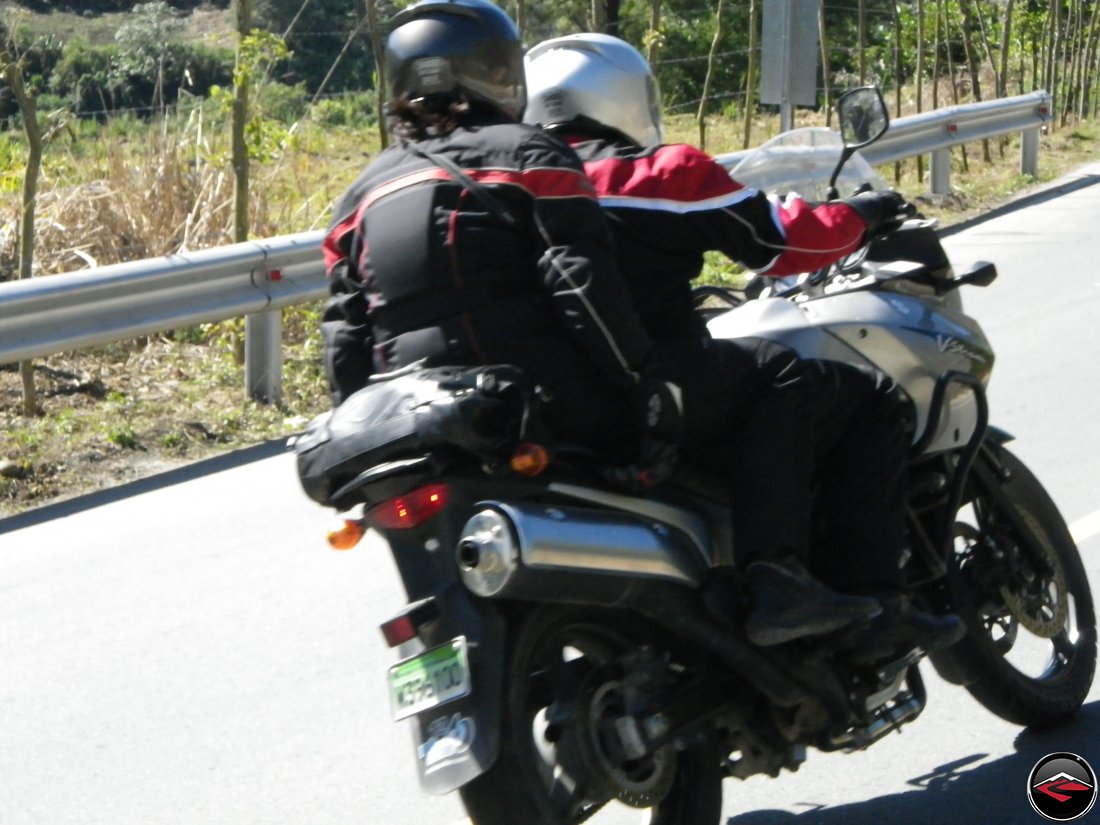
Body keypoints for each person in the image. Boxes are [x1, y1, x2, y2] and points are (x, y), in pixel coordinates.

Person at [523, 33, 965, 654]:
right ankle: (825, 589)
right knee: (834, 390)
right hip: (659, 383)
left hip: (553, 408)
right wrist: (862, 212)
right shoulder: (657, 174)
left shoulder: (500, 190)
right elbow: (788, 244)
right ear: (627, 99)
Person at [320, 0, 668, 468]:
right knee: (667, 457)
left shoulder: (359, 194)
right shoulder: (530, 154)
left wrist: (357, 427)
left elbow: (345, 333)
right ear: (498, 71)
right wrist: (642, 377)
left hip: (411, 422)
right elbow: (579, 282)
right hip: (536, 405)